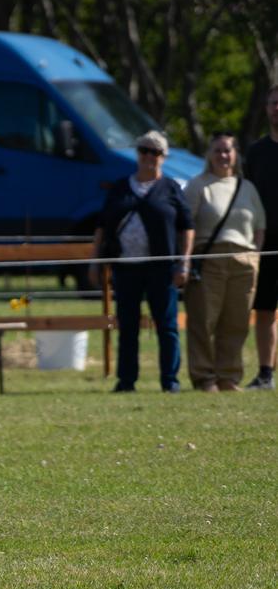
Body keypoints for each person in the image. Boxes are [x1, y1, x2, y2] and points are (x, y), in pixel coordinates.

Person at [89, 130, 194, 392]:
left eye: (156, 152)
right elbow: (102, 226)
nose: (149, 156)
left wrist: (185, 262)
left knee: (167, 327)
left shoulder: (170, 188)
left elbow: (187, 227)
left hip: (161, 268)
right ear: (137, 154)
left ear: (164, 157)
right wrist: (94, 261)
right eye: (144, 150)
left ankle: (170, 382)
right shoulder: (121, 187)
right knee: (128, 326)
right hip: (126, 267)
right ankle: (126, 381)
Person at [183, 133, 266, 392]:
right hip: (210, 259)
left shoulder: (247, 187)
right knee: (203, 320)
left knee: (236, 322)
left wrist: (255, 255)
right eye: (217, 150)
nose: (223, 155)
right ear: (209, 154)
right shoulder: (198, 185)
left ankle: (228, 376)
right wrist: (186, 261)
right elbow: (186, 225)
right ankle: (204, 377)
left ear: (236, 154)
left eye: (228, 150)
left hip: (244, 261)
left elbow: (259, 225)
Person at [245, 85, 278, 390]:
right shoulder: (256, 153)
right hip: (266, 245)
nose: (276, 108)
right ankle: (266, 373)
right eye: (273, 103)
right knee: (265, 310)